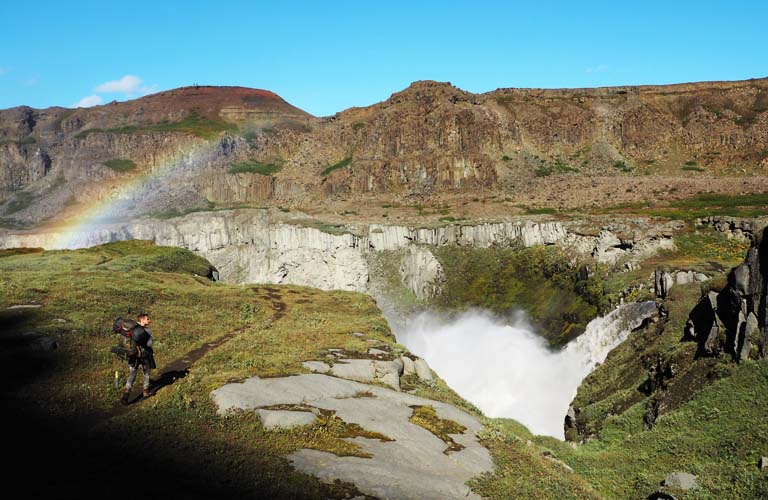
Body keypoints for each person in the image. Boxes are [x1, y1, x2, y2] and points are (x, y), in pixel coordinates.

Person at [120, 313, 157, 404]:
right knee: (146, 373)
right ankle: (145, 391)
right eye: (147, 319)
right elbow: (149, 344)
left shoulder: (130, 329)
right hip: (144, 355)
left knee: (132, 374)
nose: (149, 320)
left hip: (133, 356)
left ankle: (126, 394)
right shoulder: (147, 330)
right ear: (142, 320)